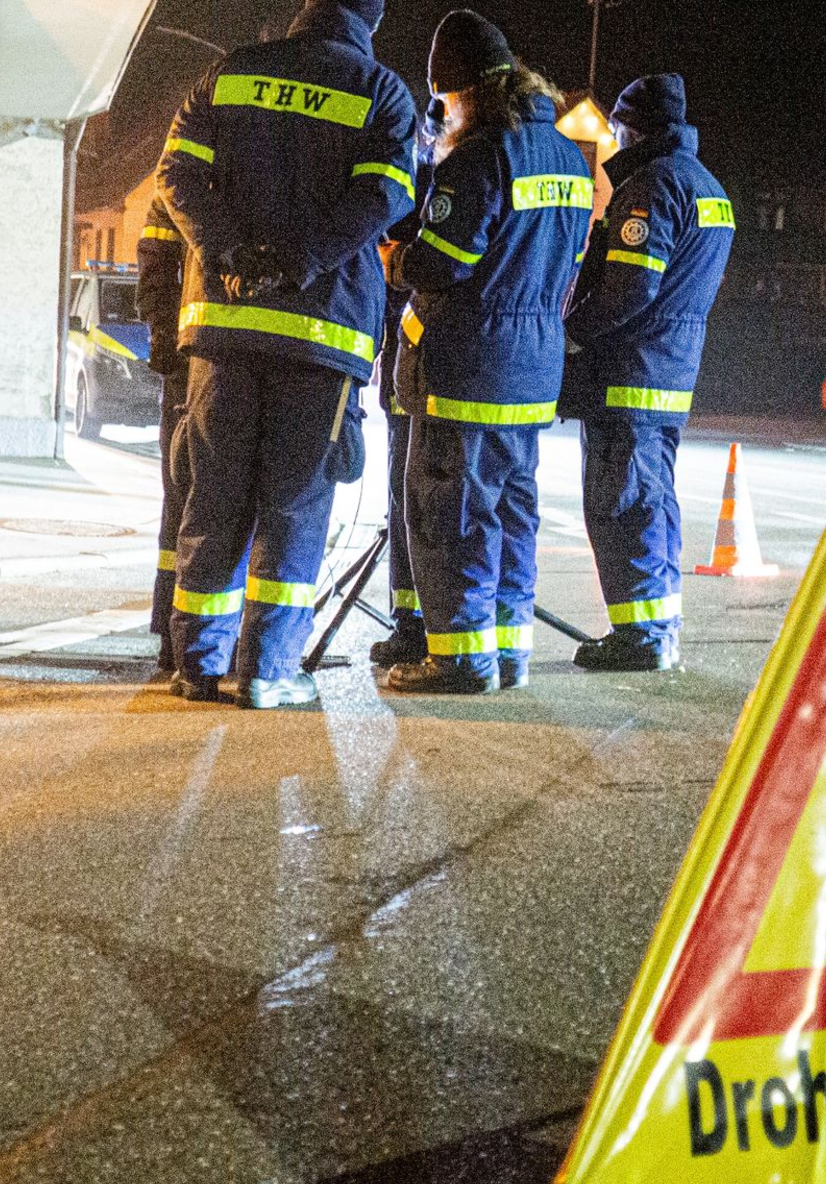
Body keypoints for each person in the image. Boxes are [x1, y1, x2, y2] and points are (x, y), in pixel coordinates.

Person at [156, 0, 416, 708]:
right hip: (320, 336)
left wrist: (226, 251)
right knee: (295, 507)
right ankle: (268, 671)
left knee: (214, 495)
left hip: (224, 328)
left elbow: (175, 174)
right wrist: (299, 261)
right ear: (371, 20)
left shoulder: (230, 73)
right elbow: (386, 194)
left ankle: (196, 664)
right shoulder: (382, 92)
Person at [382, 10, 593, 694]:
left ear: (462, 88)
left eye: (443, 100)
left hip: (468, 364)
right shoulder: (565, 154)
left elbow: (444, 262)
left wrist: (396, 259)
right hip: (533, 366)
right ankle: (506, 653)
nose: (441, 113)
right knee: (509, 513)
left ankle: (459, 657)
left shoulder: (481, 156)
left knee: (453, 515)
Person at [559, 74, 734, 671]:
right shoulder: (708, 187)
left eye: (617, 127)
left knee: (620, 503)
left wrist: (571, 333)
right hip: (673, 371)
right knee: (654, 501)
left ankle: (639, 637)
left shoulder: (650, 186)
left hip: (627, 370)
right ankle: (658, 624)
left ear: (633, 126)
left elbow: (632, 287)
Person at [368, 97, 444, 669]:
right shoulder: (471, 172)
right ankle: (418, 618)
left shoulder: (434, 184)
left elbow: (397, 268)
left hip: (417, 363)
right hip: (433, 364)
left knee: (409, 496)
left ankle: (413, 622)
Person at [135, 195, 191, 672]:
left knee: (186, 498)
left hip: (199, 350)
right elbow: (156, 261)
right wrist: (163, 337)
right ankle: (178, 635)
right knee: (184, 495)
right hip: (193, 355)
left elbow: (154, 263)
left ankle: (183, 637)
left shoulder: (187, 164)